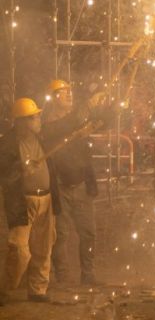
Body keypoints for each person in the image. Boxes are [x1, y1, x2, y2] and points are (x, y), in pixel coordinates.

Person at [0, 97, 94, 304]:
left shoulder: (42, 137)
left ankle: (37, 290)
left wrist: (87, 108)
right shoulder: (7, 144)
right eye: (34, 117)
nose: (39, 120)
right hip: (23, 202)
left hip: (46, 198)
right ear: (21, 121)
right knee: (19, 249)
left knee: (44, 248)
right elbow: (5, 174)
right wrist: (22, 171)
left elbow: (64, 127)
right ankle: (6, 288)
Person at [45, 79, 100, 286]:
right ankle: (63, 278)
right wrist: (88, 106)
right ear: (53, 98)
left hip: (81, 185)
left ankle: (88, 275)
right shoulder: (48, 124)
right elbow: (64, 127)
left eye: (70, 90)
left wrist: (112, 108)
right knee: (61, 235)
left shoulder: (76, 119)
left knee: (88, 233)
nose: (69, 94)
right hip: (60, 187)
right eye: (63, 91)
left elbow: (98, 119)